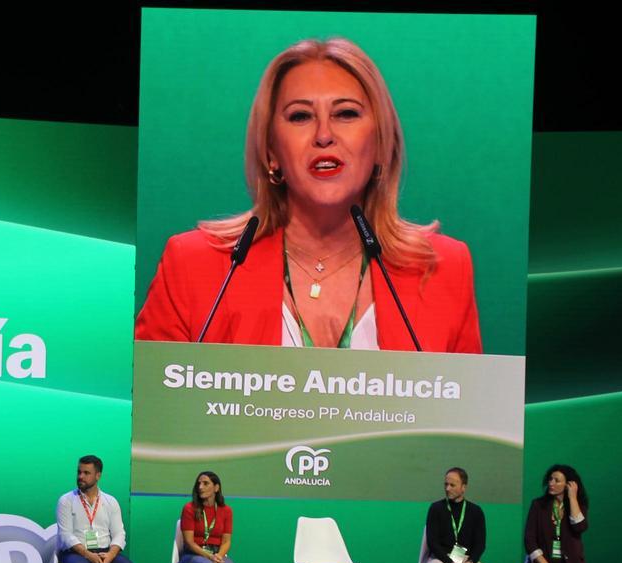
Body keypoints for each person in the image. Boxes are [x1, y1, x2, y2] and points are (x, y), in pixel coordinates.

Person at [135, 37, 481, 353]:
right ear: (271, 151)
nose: (324, 135)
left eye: (346, 114)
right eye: (300, 116)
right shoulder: (194, 266)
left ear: (381, 144)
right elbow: (149, 412)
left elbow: (465, 417)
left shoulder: (444, 269)